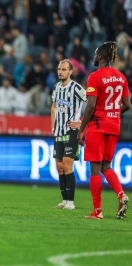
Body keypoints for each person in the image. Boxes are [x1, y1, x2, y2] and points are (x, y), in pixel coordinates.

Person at [77, 42, 131, 220]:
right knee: (106, 165)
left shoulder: (94, 77)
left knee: (95, 168)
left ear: (100, 56)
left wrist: (82, 129)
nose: (93, 56)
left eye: (95, 53)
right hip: (113, 126)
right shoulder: (121, 77)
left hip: (98, 126)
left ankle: (97, 211)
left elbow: (91, 105)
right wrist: (112, 113)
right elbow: (127, 105)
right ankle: (121, 195)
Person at [51, 59, 87, 210]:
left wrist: (81, 124)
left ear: (71, 72)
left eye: (64, 69)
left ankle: (71, 202)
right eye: (59, 69)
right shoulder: (57, 87)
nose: (61, 72)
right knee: (59, 166)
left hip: (72, 131)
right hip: (58, 132)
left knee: (67, 164)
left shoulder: (77, 88)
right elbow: (53, 106)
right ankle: (65, 200)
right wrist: (52, 125)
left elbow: (92, 104)